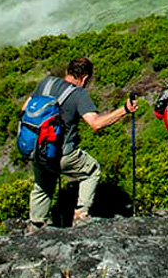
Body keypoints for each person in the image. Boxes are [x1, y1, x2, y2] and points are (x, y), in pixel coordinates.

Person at [27, 56, 138, 228]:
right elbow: (96, 123)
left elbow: (25, 108)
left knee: (43, 185)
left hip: (36, 149)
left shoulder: (46, 82)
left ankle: (35, 224)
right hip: (63, 154)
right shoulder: (78, 94)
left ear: (67, 71)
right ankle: (80, 216)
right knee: (91, 171)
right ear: (85, 78)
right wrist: (124, 110)